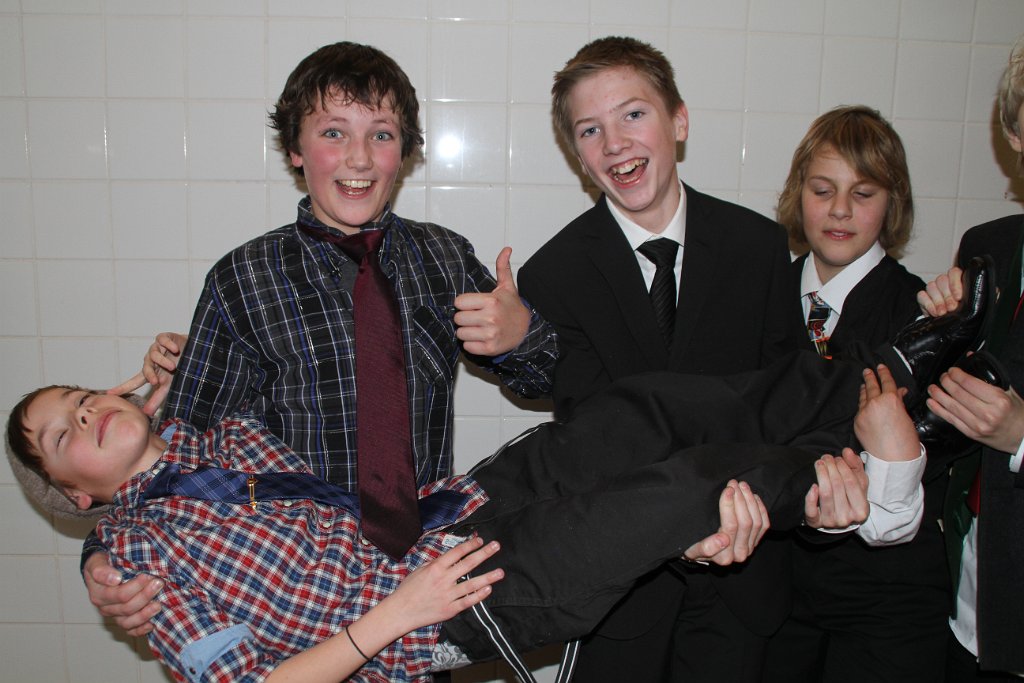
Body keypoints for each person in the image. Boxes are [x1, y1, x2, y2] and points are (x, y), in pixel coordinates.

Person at [8, 344, 944, 682]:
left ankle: (889, 366)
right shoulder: (137, 563)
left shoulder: (216, 437)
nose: (84, 414)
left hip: (458, 506)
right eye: (61, 433)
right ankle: (863, 485)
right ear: (75, 493)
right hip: (444, 603)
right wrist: (396, 615)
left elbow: (169, 402)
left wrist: (136, 392)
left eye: (82, 396)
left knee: (644, 411)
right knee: (677, 494)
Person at [82, 41, 559, 635]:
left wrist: (520, 335)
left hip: (423, 579)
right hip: (288, 590)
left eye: (381, 135)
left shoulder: (443, 257)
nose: (359, 157)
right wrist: (101, 552)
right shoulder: (243, 279)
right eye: (334, 132)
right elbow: (177, 454)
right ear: (295, 149)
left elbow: (546, 380)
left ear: (405, 152)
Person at [516, 35, 804, 681]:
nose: (615, 142)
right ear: (578, 155)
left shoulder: (758, 247)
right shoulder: (554, 274)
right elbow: (594, 434)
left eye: (633, 114)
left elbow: (783, 401)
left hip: (745, 570)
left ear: (679, 120)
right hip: (622, 591)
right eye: (590, 129)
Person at [762, 106, 951, 682]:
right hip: (775, 598)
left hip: (888, 601)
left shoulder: (924, 319)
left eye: (863, 193)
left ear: (892, 204)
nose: (840, 209)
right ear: (798, 195)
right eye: (823, 190)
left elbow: (942, 456)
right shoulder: (758, 299)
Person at [917, 33, 1024, 681]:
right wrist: (939, 330)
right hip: (971, 584)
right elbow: (948, 405)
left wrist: (1023, 435)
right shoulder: (990, 245)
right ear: (1015, 135)